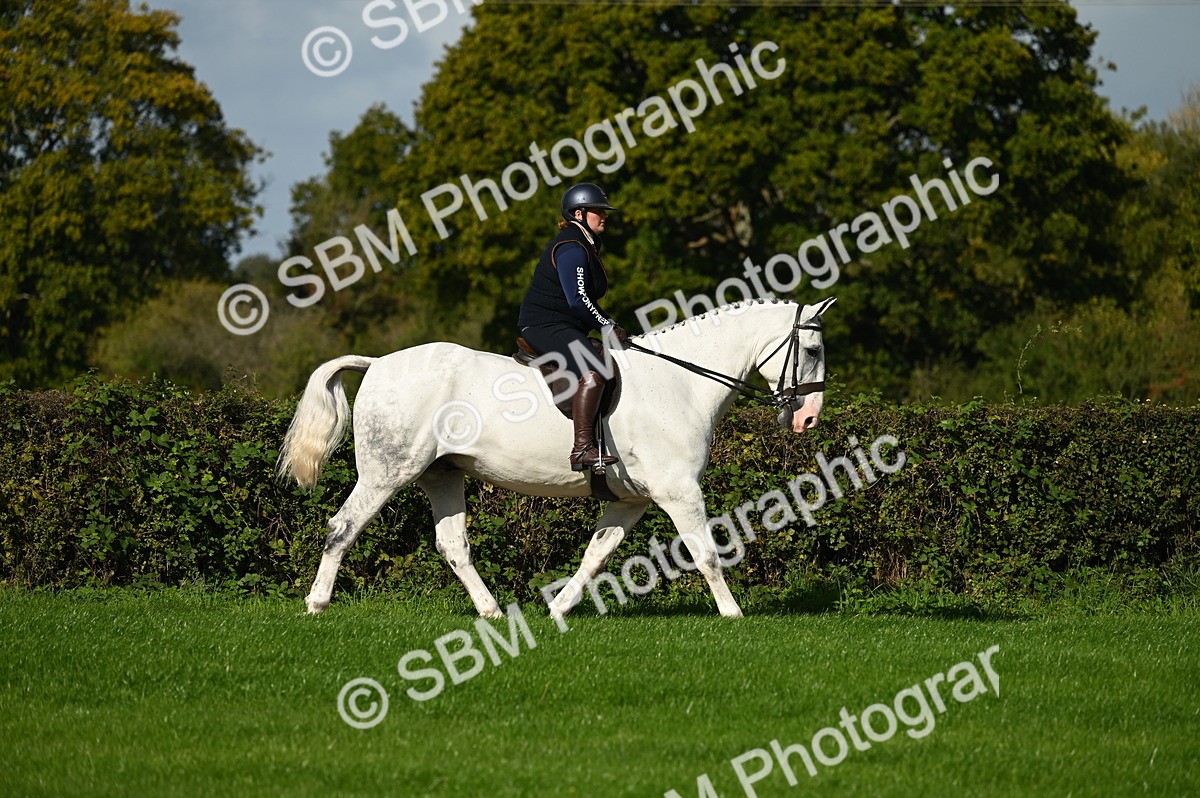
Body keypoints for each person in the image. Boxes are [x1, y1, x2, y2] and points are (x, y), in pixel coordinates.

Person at [518, 182, 631, 472]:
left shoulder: (585, 244)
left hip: (563, 324)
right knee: (594, 368)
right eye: (597, 211)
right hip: (544, 324)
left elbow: (583, 300)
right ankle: (582, 448)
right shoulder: (571, 247)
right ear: (578, 214)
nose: (604, 216)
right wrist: (606, 324)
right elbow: (578, 300)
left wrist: (610, 324)